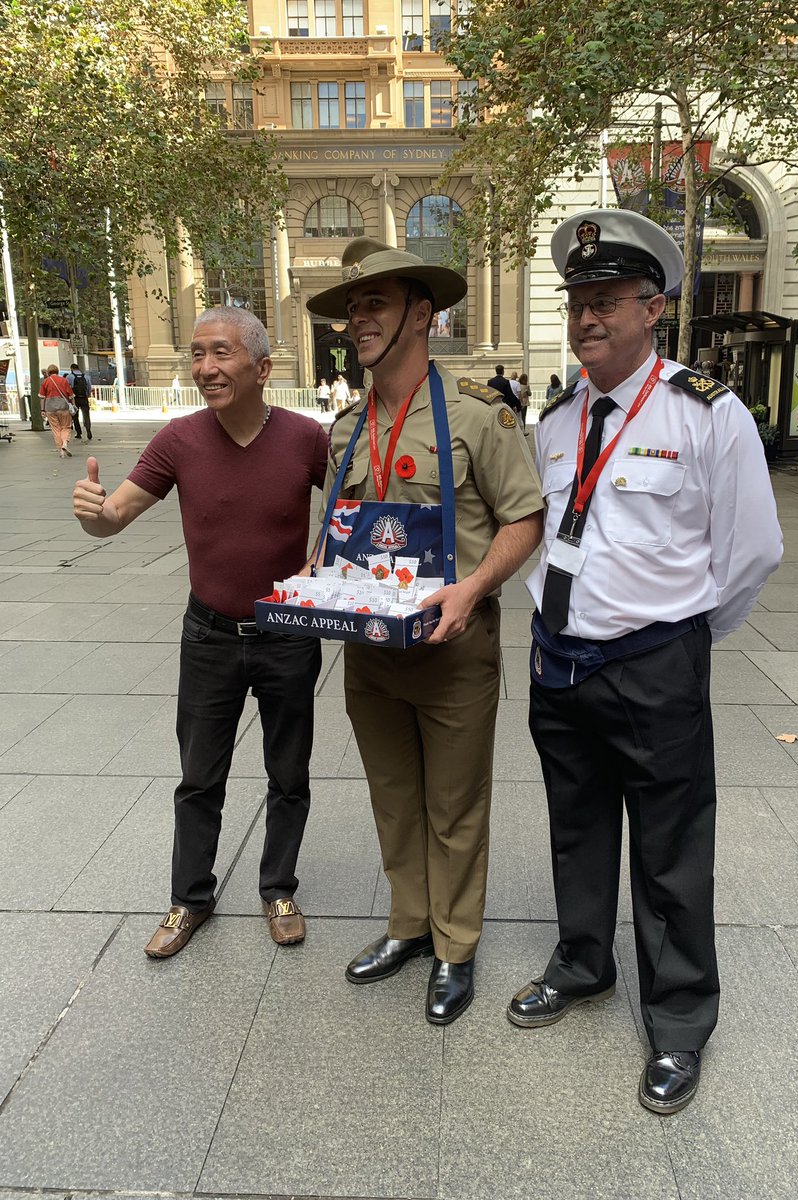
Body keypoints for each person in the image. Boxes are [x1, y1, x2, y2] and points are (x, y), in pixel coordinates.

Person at [507, 209, 782, 1114]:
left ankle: (678, 1021)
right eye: (577, 301)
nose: (587, 317)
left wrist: (680, 637)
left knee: (670, 853)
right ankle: (584, 962)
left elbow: (750, 553)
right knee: (576, 827)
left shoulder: (708, 412)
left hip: (654, 665)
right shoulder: (555, 418)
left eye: (608, 300)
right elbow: (543, 535)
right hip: (562, 663)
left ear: (655, 308)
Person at [307, 237, 544, 1024]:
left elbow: (525, 518)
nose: (357, 320)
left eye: (375, 303)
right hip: (369, 654)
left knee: (455, 804)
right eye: (352, 308)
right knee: (393, 798)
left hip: (452, 651)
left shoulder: (482, 415)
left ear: (422, 314)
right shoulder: (346, 427)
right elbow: (339, 533)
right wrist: (315, 579)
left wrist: (473, 588)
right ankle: (408, 925)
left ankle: (454, 946)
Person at [72, 307, 328, 958]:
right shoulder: (178, 440)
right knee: (198, 777)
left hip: (288, 635)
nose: (205, 368)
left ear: (263, 367)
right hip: (209, 635)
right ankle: (189, 899)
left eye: (221, 354)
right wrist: (95, 517)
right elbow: (118, 514)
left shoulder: (304, 437)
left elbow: (357, 509)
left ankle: (279, 889)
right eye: (196, 354)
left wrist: (325, 553)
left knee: (288, 772)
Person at [39, 365, 74, 457]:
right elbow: (71, 395)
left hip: (50, 408)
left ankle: (61, 451)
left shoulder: (45, 382)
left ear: (48, 372)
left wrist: (42, 410)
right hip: (63, 407)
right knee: (66, 427)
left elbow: (42, 398)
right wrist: (73, 405)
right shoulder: (63, 380)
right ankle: (65, 444)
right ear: (57, 371)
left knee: (56, 429)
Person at [66, 362, 93, 441]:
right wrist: (87, 395)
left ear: (71, 369)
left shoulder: (69, 377)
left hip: (75, 399)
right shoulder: (86, 376)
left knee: (75, 416)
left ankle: (78, 432)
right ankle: (88, 429)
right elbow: (89, 387)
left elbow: (68, 388)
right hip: (84, 398)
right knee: (86, 415)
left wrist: (69, 399)